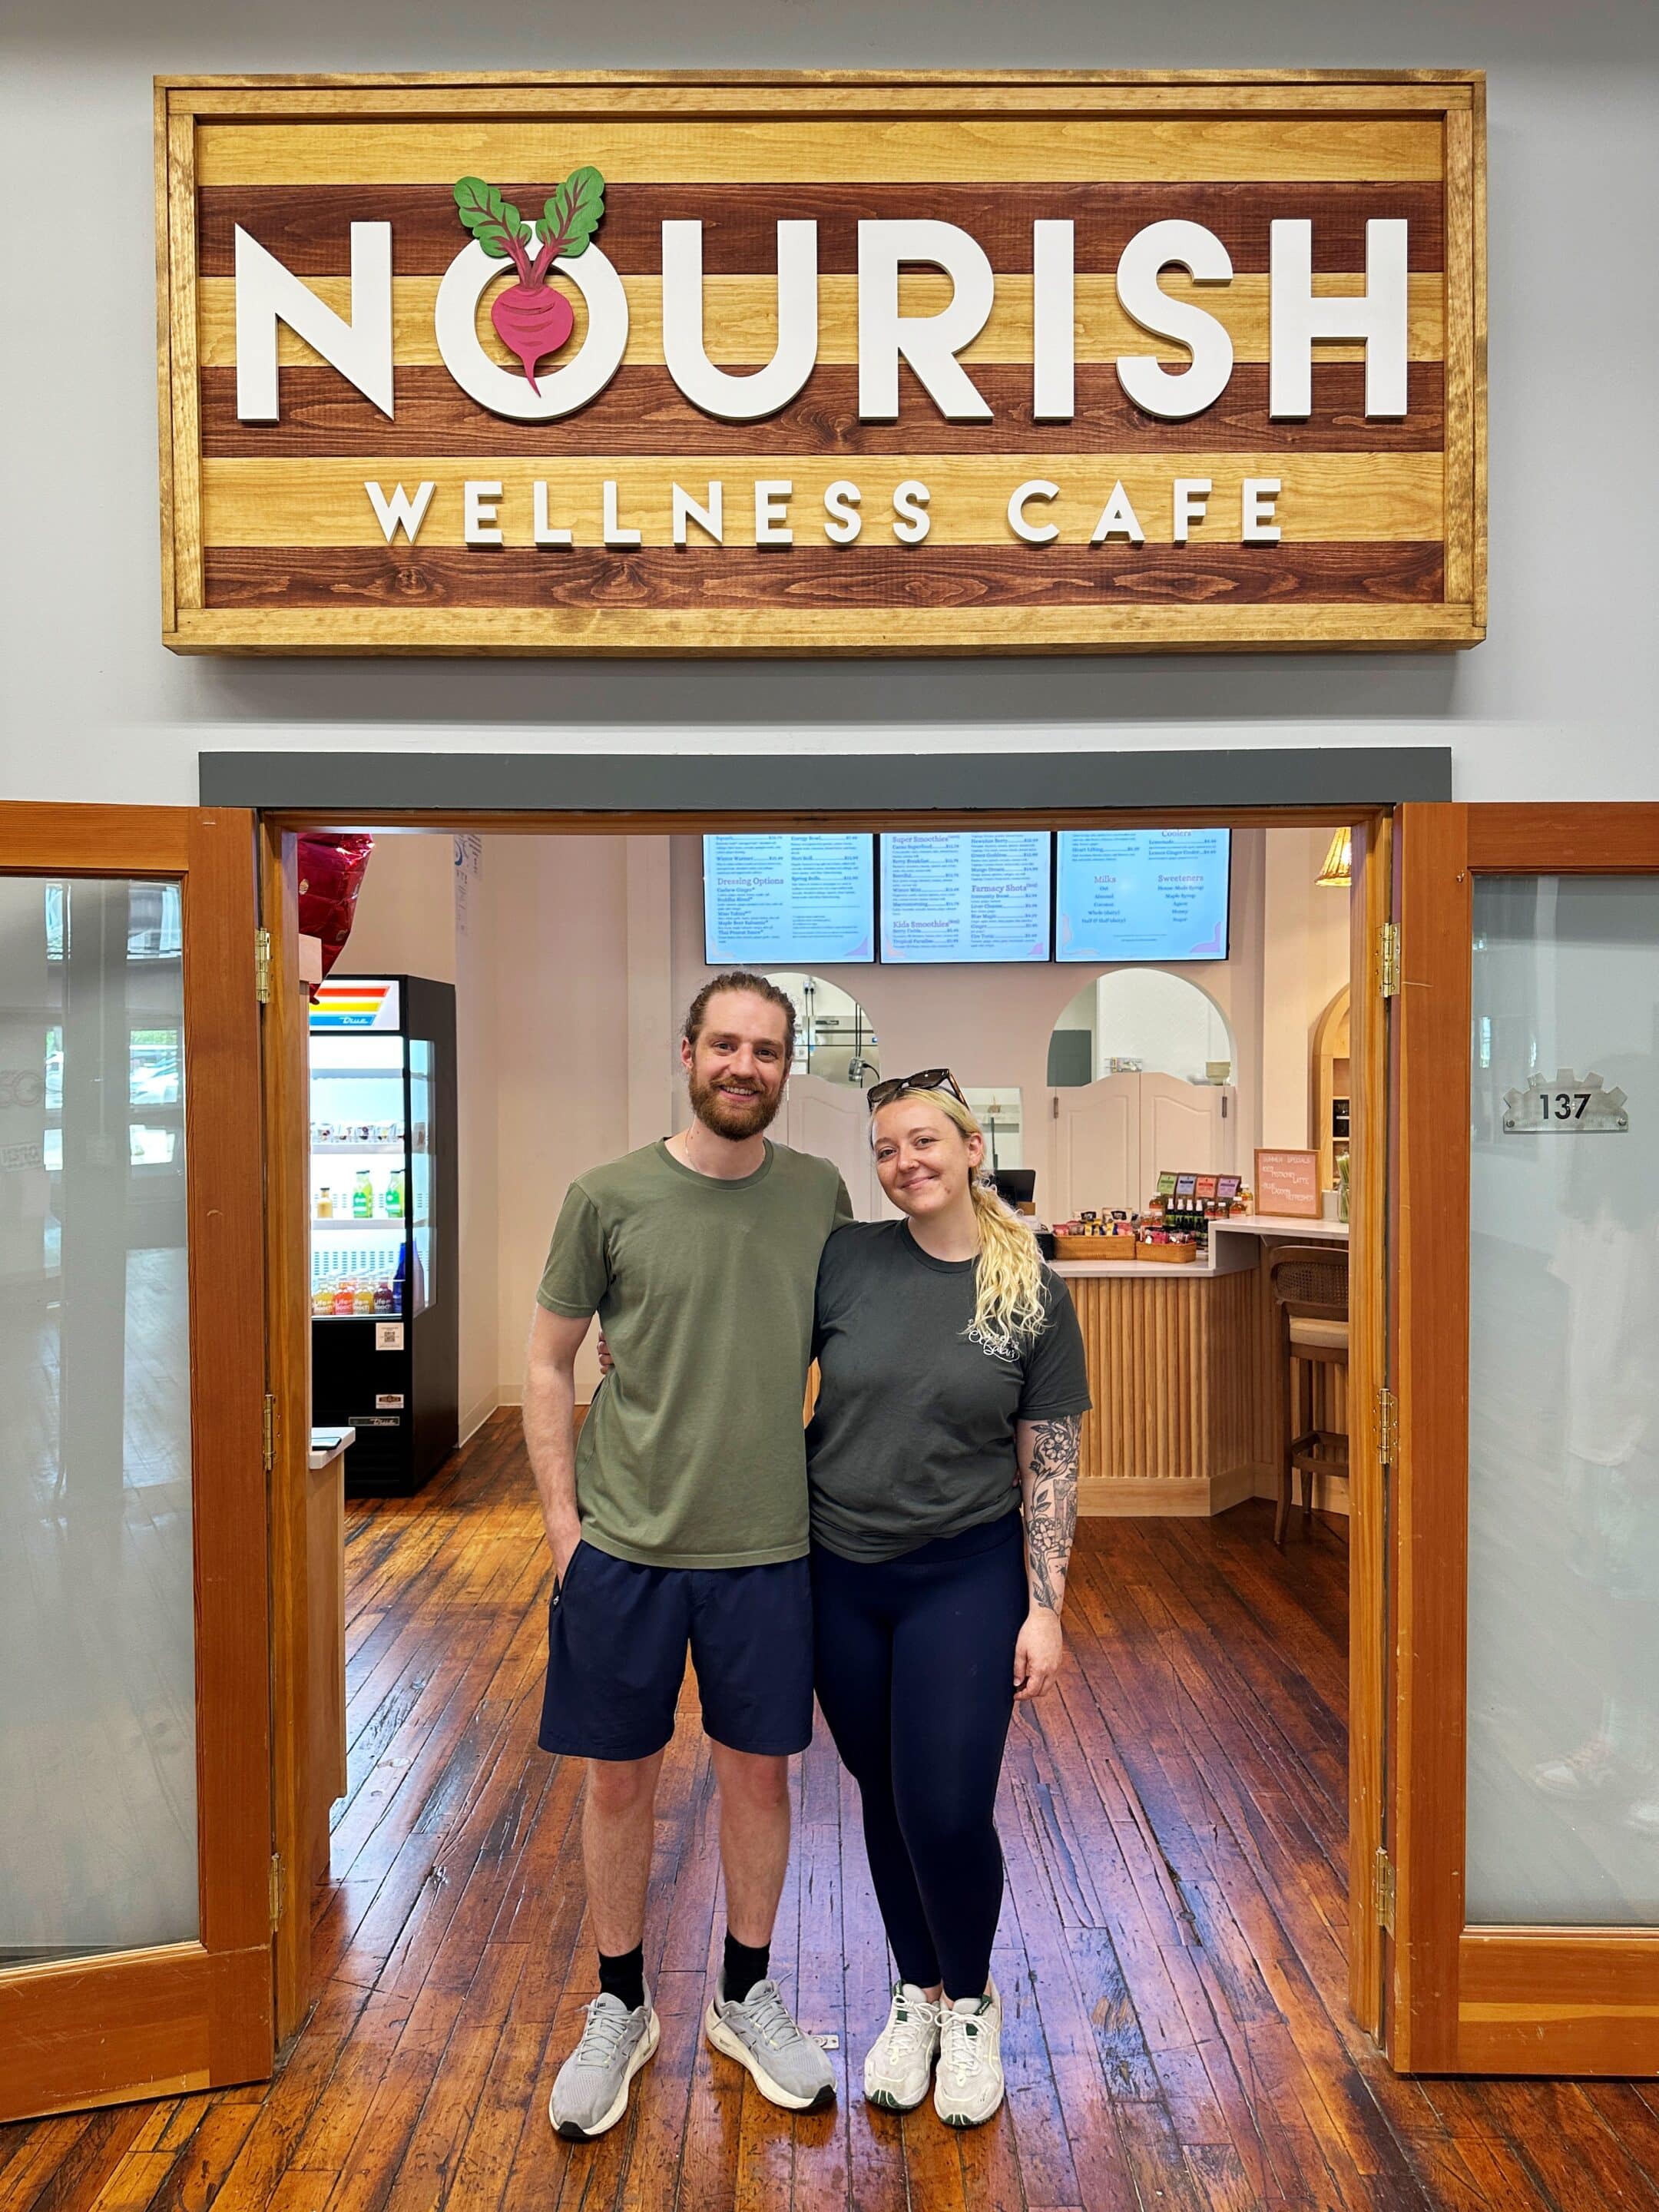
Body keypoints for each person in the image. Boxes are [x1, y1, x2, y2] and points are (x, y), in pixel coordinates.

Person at [522, 972, 849, 2141]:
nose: (744, 1066)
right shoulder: (607, 1196)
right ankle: (620, 2005)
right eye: (726, 1045)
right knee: (618, 1778)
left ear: (785, 1068)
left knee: (759, 1775)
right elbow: (550, 1360)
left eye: (767, 1051)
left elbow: (851, 1345)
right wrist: (566, 1535)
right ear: (688, 1053)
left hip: (767, 1546)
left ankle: (741, 1994)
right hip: (625, 1546)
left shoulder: (819, 1195)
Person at [806, 1071, 1089, 2128]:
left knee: (946, 1803)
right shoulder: (847, 1260)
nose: (904, 1163)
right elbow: (745, 1347)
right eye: (885, 1149)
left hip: (963, 1573)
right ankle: (916, 1995)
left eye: (924, 1141)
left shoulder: (1030, 1291)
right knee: (883, 1791)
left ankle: (970, 2005)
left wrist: (1046, 1606)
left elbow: (1050, 1457)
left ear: (972, 1149)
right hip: (841, 1571)